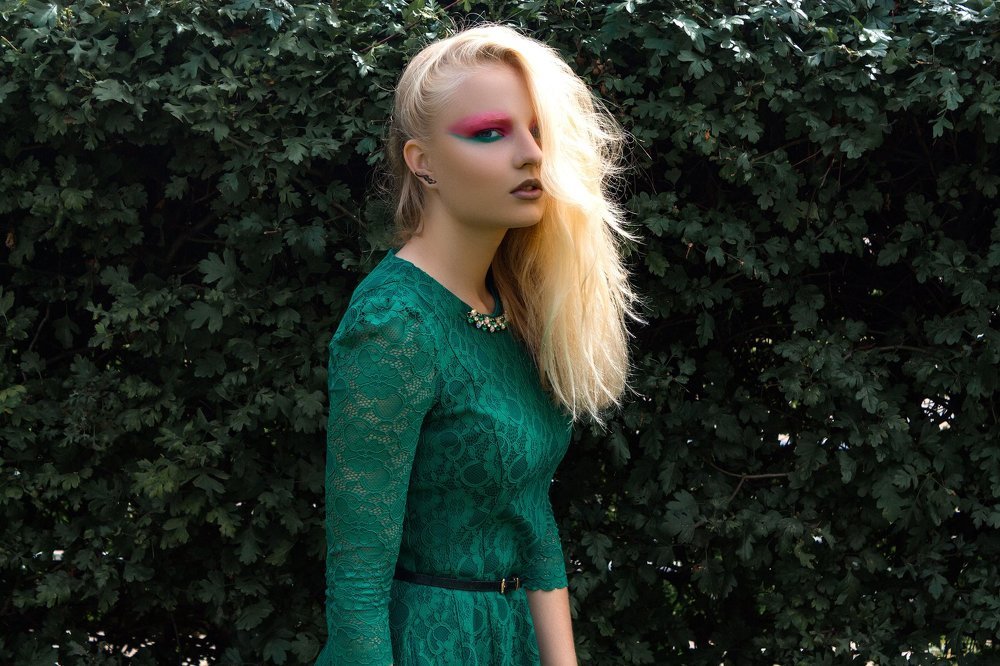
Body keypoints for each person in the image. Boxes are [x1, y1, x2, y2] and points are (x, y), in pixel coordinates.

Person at [317, 24, 637, 666]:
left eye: (537, 131)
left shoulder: (510, 307)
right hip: (426, 645)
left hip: (511, 639)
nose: (531, 155)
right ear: (423, 162)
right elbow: (356, 579)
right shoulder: (394, 323)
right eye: (491, 133)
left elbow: (531, 517)